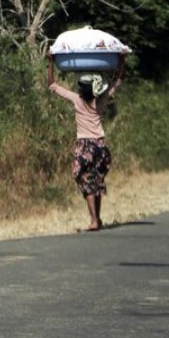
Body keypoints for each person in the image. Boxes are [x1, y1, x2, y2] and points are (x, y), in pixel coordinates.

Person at [47, 53, 125, 231]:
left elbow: (52, 84)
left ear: (81, 90)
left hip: (85, 147)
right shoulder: (101, 100)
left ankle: (94, 220)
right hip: (100, 146)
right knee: (96, 182)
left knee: (84, 181)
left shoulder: (77, 100)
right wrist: (122, 60)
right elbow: (119, 80)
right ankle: (97, 219)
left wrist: (51, 62)